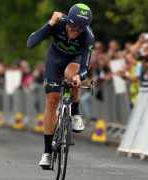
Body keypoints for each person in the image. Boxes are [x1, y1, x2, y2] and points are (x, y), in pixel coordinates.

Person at [27, 3, 95, 169]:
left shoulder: (88, 36)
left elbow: (85, 66)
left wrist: (81, 76)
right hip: (55, 60)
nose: (76, 30)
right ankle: (47, 152)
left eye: (81, 28)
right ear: (67, 21)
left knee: (72, 76)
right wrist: (49, 24)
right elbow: (31, 43)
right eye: (73, 25)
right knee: (52, 101)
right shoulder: (57, 23)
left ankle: (76, 113)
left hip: (75, 60)